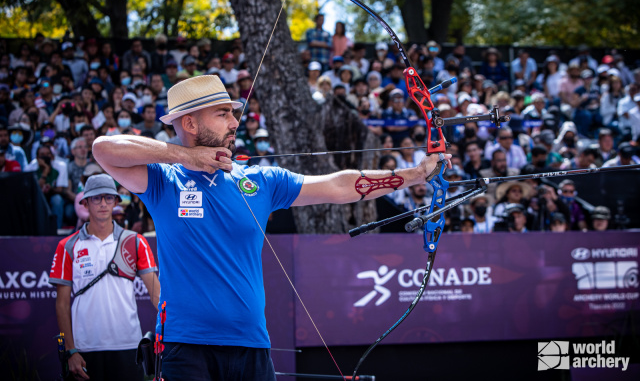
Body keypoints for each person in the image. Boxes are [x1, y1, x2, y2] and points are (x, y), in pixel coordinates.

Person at [92, 75, 451, 380]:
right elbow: (103, 148)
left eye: (232, 113)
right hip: (185, 349)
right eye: (223, 114)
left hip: (250, 345)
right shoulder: (162, 180)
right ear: (189, 123)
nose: (234, 122)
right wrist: (186, 157)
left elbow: (339, 186)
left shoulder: (260, 180)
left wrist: (415, 175)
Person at [49, 174, 160, 381]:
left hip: (128, 345)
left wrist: (178, 328)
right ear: (85, 203)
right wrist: (71, 351)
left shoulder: (136, 241)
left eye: (108, 198)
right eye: (96, 198)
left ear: (117, 202)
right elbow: (62, 304)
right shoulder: (67, 246)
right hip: (84, 348)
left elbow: (156, 295)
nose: (103, 203)